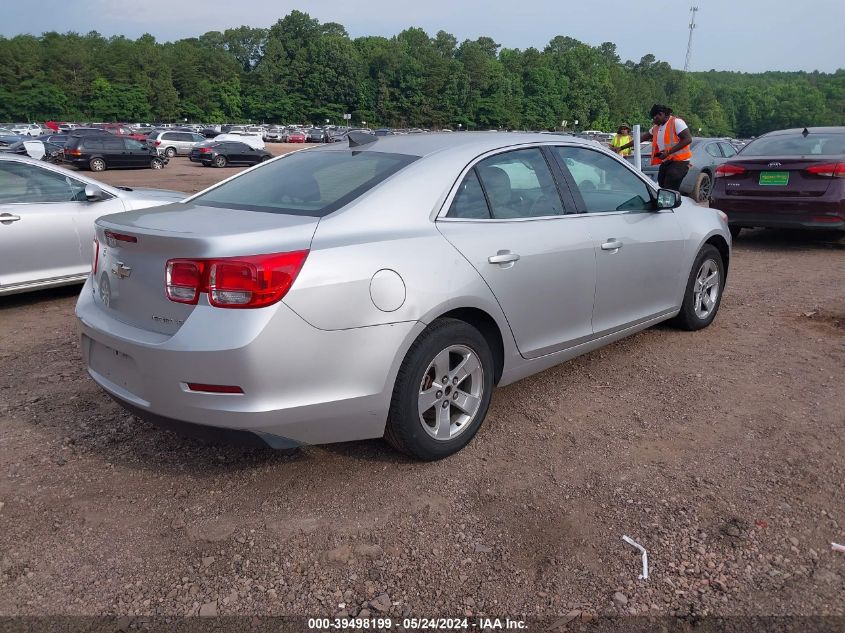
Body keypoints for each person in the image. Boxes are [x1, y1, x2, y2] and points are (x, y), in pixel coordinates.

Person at [612, 104, 692, 190]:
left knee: (670, 189)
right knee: (661, 184)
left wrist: (668, 152)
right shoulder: (656, 127)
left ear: (661, 114)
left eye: (655, 118)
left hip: (680, 162)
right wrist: (621, 148)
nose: (653, 120)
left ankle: (673, 202)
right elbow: (641, 138)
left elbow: (687, 139)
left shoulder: (676, 122)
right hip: (667, 161)